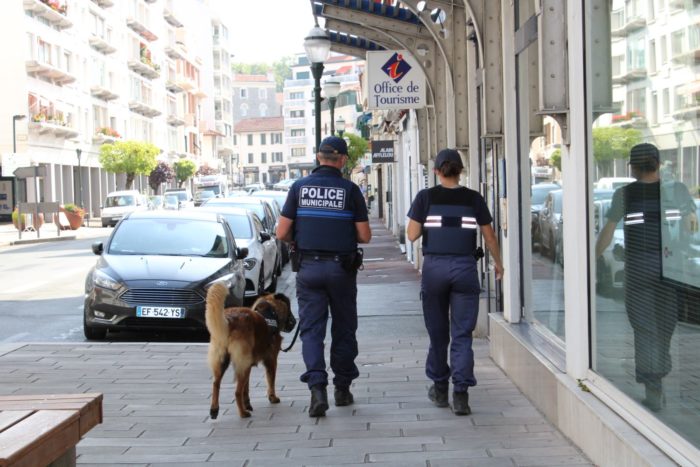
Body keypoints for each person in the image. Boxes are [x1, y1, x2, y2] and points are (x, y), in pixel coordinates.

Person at [596, 143, 698, 412]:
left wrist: (592, 257)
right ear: (658, 162)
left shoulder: (625, 194)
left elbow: (607, 232)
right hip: (671, 266)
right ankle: (658, 370)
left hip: (639, 266)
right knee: (665, 324)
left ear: (634, 167)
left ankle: (653, 383)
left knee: (644, 328)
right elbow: (691, 224)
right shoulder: (677, 190)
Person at [276, 136, 372, 417]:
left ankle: (317, 390)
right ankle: (342, 389)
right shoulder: (350, 190)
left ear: (318, 158)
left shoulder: (299, 187)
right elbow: (365, 235)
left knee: (312, 332)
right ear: (342, 160)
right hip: (342, 270)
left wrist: (303, 236)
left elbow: (282, 233)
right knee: (343, 328)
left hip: (309, 268)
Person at [406, 148, 504, 415]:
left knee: (438, 334)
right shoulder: (473, 199)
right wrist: (499, 263)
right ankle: (460, 394)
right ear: (460, 171)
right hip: (464, 268)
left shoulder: (425, 197)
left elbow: (412, 234)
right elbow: (490, 236)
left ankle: (440, 389)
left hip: (435, 267)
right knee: (462, 334)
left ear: (437, 171)